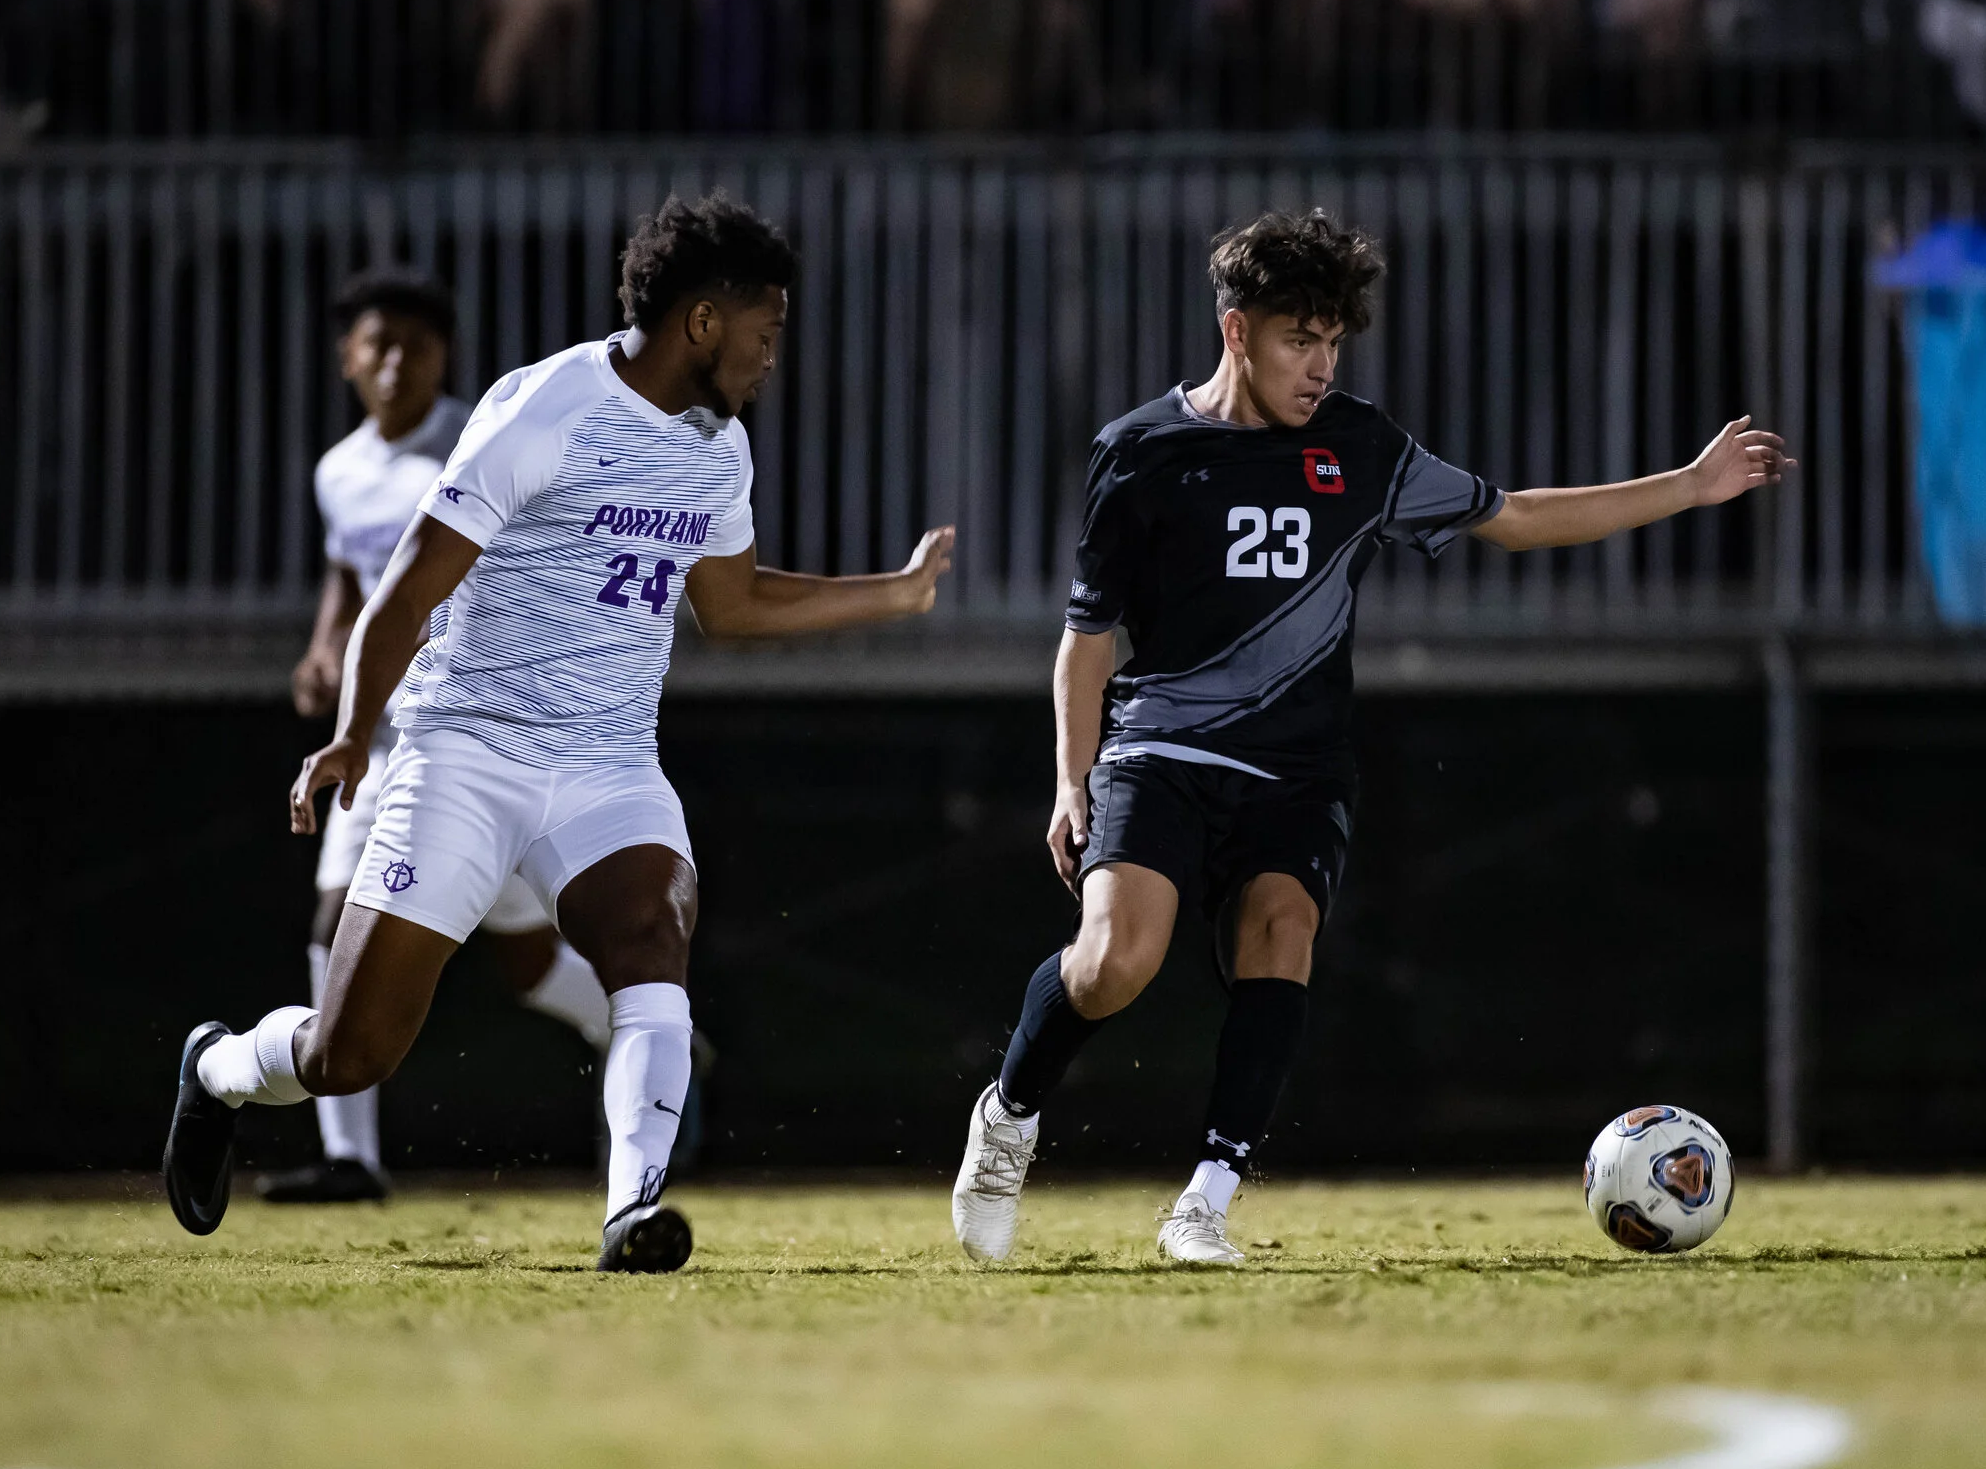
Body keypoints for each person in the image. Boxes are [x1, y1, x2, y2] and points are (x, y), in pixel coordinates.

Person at [949, 209, 1792, 1265]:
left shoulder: (1359, 446)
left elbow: (1516, 515)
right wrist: (1070, 783)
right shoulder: (1141, 452)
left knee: (1281, 933)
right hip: (1159, 748)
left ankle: (1202, 1202)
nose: (1318, 363)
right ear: (1234, 332)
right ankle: (1008, 1121)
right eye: (1298, 339)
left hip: (1297, 765)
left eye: (1332, 341)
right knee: (1116, 960)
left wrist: (1687, 485)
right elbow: (1084, 644)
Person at [165, 193, 955, 1271]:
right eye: (766, 331)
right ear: (702, 323)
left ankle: (633, 1209)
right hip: (464, 751)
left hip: (608, 761)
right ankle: (217, 1065)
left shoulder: (718, 451)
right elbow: (398, 595)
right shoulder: (544, 406)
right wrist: (354, 734)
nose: (774, 357)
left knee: (650, 940)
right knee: (350, 1051)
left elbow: (728, 606)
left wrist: (895, 595)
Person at [258, 268, 618, 1205]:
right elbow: (351, 572)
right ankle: (350, 1158)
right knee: (333, 917)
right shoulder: (339, 468)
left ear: (442, 356)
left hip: (474, 731)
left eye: (412, 345)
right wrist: (323, 648)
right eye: (375, 344)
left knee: (529, 961)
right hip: (380, 738)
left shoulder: (473, 442)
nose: (392, 361)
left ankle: (645, 1032)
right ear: (347, 358)